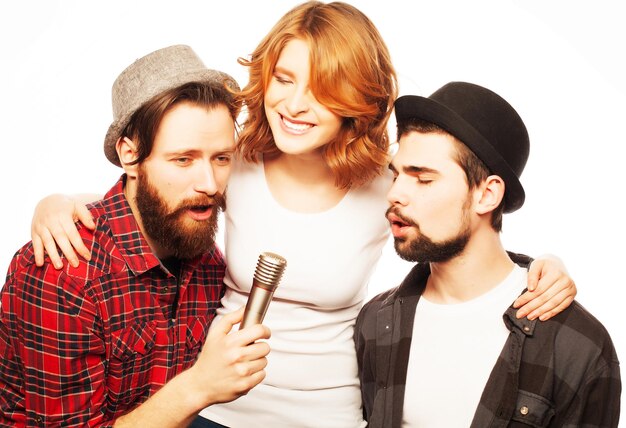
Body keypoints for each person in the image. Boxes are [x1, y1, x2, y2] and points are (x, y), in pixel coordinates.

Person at [28, 3, 577, 427]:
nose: (294, 105)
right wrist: (52, 205)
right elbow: (154, 185)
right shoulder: (230, 160)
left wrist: (538, 265)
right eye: (285, 79)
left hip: (330, 413)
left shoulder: (387, 183)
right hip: (214, 409)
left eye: (323, 89)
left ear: (356, 100)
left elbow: (458, 231)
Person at [0, 45, 272, 427]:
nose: (209, 184)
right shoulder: (63, 276)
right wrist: (199, 387)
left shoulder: (206, 263)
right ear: (129, 156)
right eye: (183, 159)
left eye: (221, 158)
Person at [355, 81, 621, 427]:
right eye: (397, 175)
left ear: (487, 195)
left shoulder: (576, 345)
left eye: (423, 179)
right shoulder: (375, 323)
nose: (396, 194)